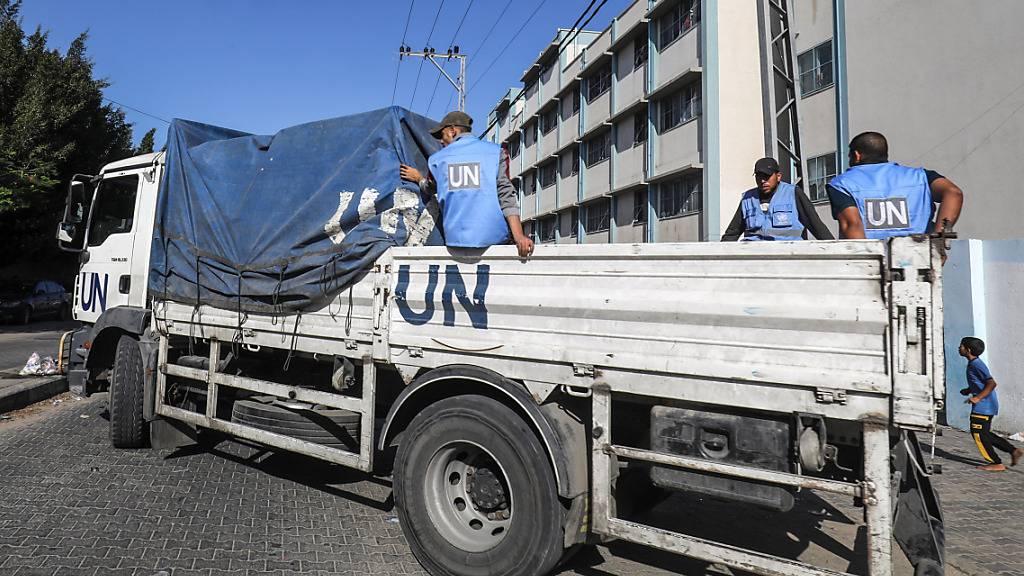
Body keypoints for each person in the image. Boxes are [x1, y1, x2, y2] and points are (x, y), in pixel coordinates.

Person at [399, 111, 534, 258]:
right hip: (495, 239)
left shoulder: (437, 160)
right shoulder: (496, 152)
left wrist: (418, 178)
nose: (441, 142)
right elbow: (506, 195)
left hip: (455, 241)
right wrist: (519, 236)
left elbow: (430, 188)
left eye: (442, 136)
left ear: (453, 131)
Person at [827, 131, 963, 241]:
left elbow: (852, 225)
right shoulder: (921, 176)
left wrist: (868, 261)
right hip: (921, 257)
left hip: (871, 261)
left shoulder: (841, 184)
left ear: (857, 155)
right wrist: (939, 240)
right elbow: (953, 193)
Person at [721, 157, 834, 241]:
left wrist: (835, 251)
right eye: (759, 176)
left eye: (767, 176)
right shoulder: (747, 199)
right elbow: (732, 233)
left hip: (788, 254)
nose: (763, 181)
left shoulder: (793, 193)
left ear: (778, 176)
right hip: (755, 257)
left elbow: (816, 226)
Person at [958, 336, 1023, 472]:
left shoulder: (976, 364)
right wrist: (969, 390)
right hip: (987, 405)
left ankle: (996, 462)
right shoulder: (973, 364)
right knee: (985, 433)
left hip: (983, 406)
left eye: (961, 346)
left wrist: (978, 398)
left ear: (968, 350)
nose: (959, 348)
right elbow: (980, 382)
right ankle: (1013, 451)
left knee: (978, 434)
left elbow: (991, 383)